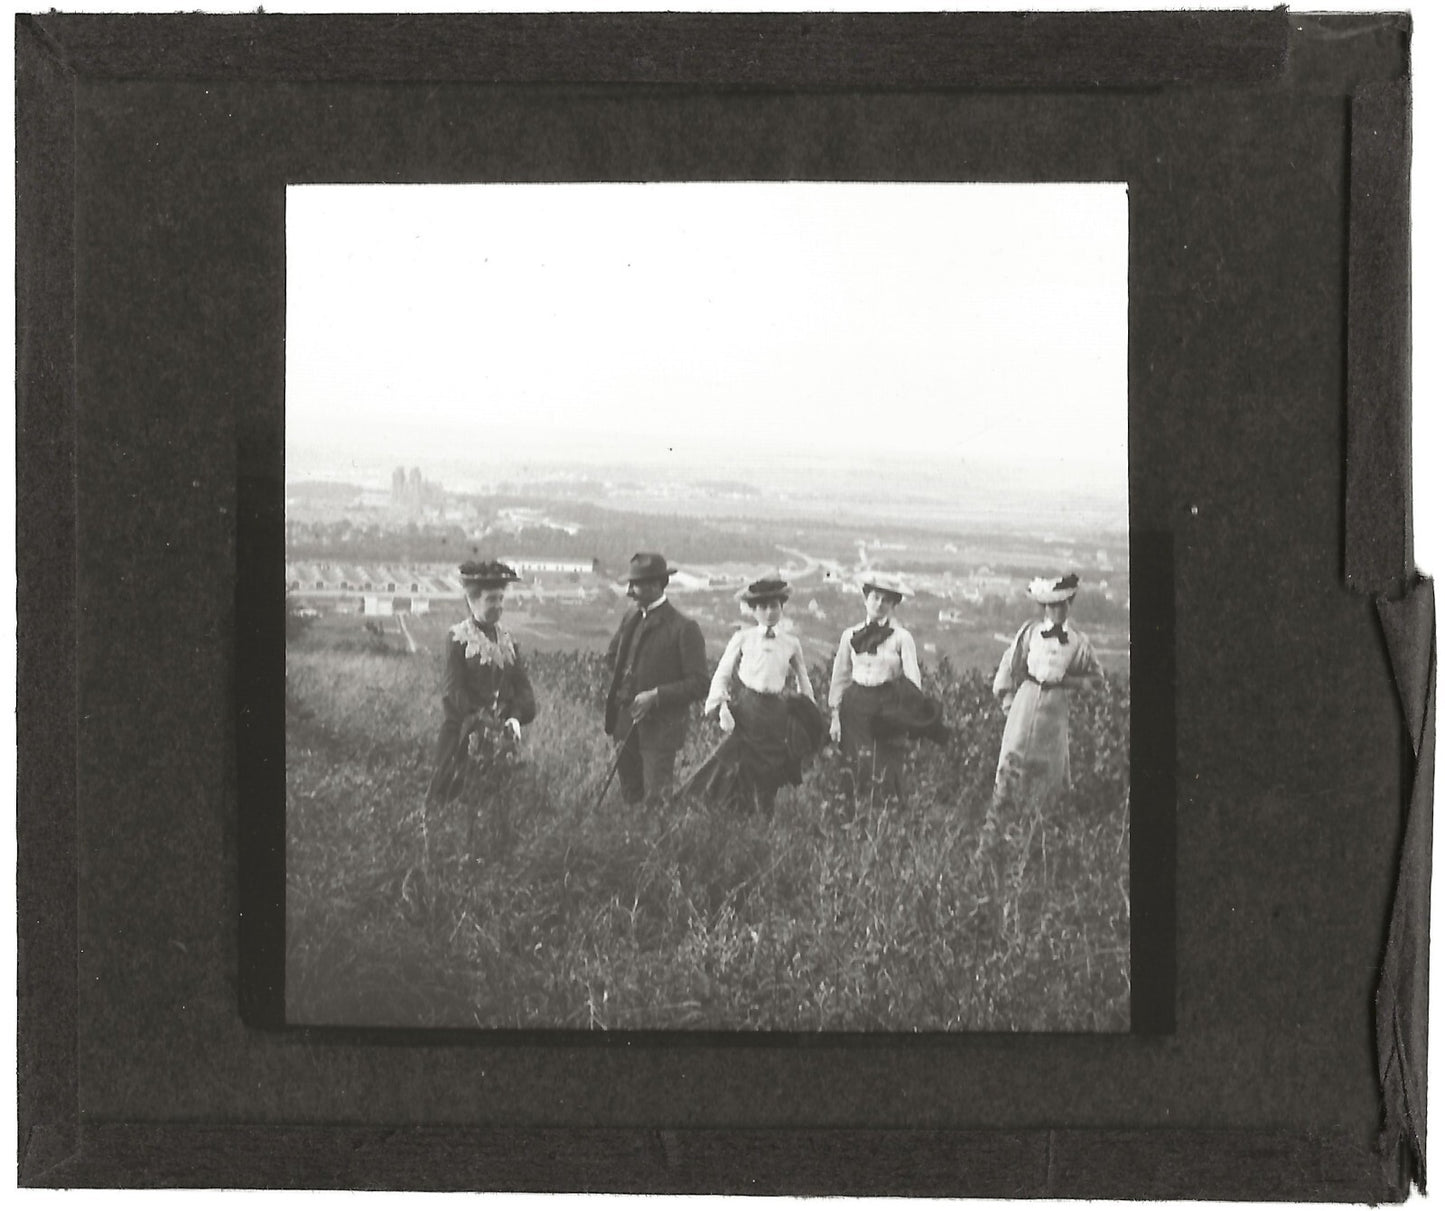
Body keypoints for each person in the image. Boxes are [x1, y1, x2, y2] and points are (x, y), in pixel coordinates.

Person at [684, 576, 826, 815]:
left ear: (782, 608)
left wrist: (808, 713)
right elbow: (723, 672)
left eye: (775, 606)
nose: (769, 612)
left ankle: (763, 819)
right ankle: (714, 809)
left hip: (776, 713)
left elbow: (803, 678)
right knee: (734, 761)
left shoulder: (791, 643)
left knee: (770, 767)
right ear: (753, 610)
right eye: (763, 607)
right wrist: (722, 707)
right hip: (749, 709)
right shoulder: (743, 638)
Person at [828, 572, 948, 806]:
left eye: (886, 600)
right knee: (854, 767)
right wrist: (835, 716)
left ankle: (885, 823)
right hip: (854, 709)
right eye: (875, 597)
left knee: (884, 768)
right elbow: (840, 677)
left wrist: (910, 717)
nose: (880, 604)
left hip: (886, 712)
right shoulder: (849, 636)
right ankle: (852, 822)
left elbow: (913, 680)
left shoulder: (902, 638)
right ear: (865, 599)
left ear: (893, 605)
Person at [425, 560, 537, 809]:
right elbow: (453, 691)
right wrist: (480, 720)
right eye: (491, 600)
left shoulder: (508, 642)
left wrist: (514, 718)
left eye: (500, 599)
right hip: (462, 737)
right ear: (473, 601)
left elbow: (526, 694)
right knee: (450, 801)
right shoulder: (458, 639)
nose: (498, 606)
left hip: (499, 741)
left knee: (493, 806)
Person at [603, 552, 709, 807]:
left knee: (656, 801)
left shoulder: (684, 628)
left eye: (636, 585)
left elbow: (699, 683)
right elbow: (611, 658)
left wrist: (656, 696)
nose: (631, 591)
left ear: (655, 585)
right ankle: (632, 844)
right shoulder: (630, 618)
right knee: (630, 794)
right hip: (624, 724)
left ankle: (656, 845)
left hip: (661, 731)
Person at [991, 573, 1105, 806]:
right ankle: (1004, 815)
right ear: (1044, 607)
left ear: (1069, 605)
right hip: (1026, 702)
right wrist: (1008, 702)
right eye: (1052, 605)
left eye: (1062, 605)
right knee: (1013, 759)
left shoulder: (1077, 642)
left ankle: (1043, 823)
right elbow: (1010, 665)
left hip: (1055, 709)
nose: (1057, 610)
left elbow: (1096, 678)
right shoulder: (1030, 632)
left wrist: (1071, 683)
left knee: (1049, 769)